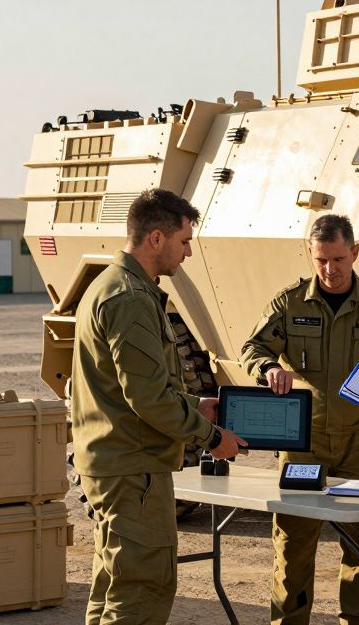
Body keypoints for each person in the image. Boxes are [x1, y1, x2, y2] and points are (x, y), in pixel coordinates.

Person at [71, 187, 246, 625]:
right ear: (156, 239)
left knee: (113, 588)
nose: (187, 253)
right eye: (184, 241)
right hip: (132, 470)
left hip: (120, 463)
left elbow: (135, 387)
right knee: (141, 594)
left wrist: (194, 404)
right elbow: (146, 397)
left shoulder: (117, 287)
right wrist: (212, 438)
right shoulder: (130, 297)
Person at [241, 214, 359, 625]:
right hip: (306, 444)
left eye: (338, 258)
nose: (329, 269)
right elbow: (254, 347)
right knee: (293, 544)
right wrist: (267, 367)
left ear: (354, 252)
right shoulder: (289, 303)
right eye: (320, 259)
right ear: (310, 254)